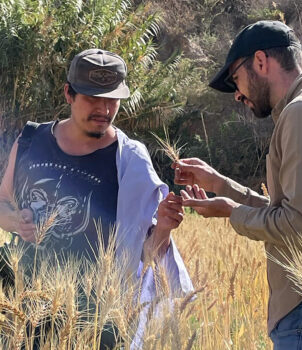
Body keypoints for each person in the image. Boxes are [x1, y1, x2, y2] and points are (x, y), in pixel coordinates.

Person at [174, 21, 302, 349]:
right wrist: (221, 186)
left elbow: (300, 228)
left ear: (260, 61)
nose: (237, 94)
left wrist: (231, 212)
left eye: (235, 79)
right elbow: (298, 215)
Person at [0, 48, 193, 347]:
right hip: (23, 310)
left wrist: (165, 226)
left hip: (97, 323)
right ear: (68, 94)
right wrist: (15, 221)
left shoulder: (130, 161)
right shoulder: (29, 141)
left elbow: (145, 255)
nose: (103, 109)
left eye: (112, 99)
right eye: (92, 98)